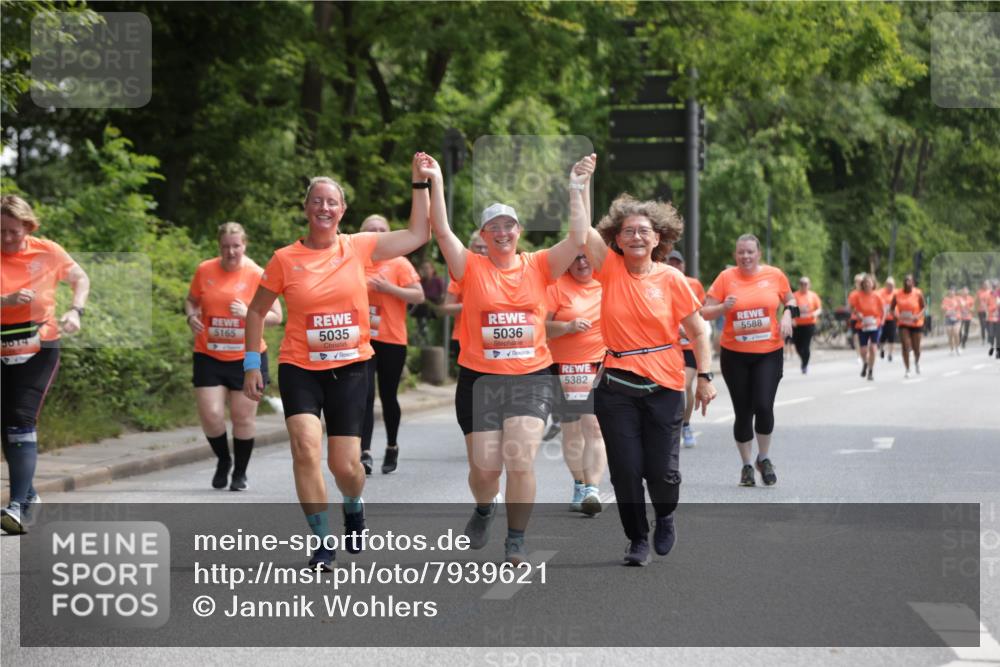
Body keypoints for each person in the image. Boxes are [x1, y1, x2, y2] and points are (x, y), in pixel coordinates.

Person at [242, 154, 430, 570]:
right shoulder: (283, 259)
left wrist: (420, 182)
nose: (324, 208)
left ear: (343, 211)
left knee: (344, 465)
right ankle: (322, 542)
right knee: (305, 449)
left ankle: (353, 502)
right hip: (299, 367)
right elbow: (256, 311)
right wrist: (251, 364)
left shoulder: (359, 247)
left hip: (350, 369)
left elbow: (419, 232)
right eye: (317, 201)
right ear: (306, 208)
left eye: (332, 202)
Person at [427, 156, 587, 565]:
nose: (502, 232)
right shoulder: (471, 267)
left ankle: (516, 539)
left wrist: (575, 188)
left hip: (530, 378)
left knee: (520, 457)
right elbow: (441, 231)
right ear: (484, 234)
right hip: (479, 380)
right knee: (484, 472)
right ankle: (485, 507)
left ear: (519, 231)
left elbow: (577, 236)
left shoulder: (539, 265)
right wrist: (436, 182)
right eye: (493, 226)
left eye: (508, 225)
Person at [575, 175, 716, 566]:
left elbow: (698, 331)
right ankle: (637, 539)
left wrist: (704, 377)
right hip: (617, 385)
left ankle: (666, 515)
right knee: (626, 471)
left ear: (658, 238)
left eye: (644, 231)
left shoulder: (672, 279)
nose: (636, 236)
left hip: (666, 386)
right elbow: (580, 230)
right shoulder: (610, 268)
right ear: (616, 240)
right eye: (627, 231)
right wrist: (579, 187)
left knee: (662, 473)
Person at [1, 195, 90, 534]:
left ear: (28, 226)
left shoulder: (47, 251)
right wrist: (5, 300)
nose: (7, 239)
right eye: (0, 232)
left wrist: (75, 310)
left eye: (13, 231)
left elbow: (80, 278)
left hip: (39, 346)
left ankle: (19, 507)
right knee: (5, 426)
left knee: (21, 418)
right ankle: (30, 495)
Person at [185, 222, 282, 491]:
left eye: (236, 246)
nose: (231, 252)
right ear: (219, 247)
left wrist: (249, 312)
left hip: (247, 357)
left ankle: (240, 473)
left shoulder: (257, 273)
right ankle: (224, 460)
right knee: (212, 414)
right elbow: (191, 300)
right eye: (226, 247)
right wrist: (191, 316)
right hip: (209, 354)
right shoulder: (205, 270)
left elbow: (276, 316)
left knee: (242, 417)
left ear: (245, 245)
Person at [702, 234, 796, 488]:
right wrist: (723, 308)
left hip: (768, 352)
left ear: (758, 254)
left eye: (750, 252)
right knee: (743, 412)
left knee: (764, 406)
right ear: (735, 255)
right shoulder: (725, 278)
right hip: (735, 355)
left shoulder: (775, 275)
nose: (745, 256)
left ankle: (763, 458)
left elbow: (791, 300)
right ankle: (746, 465)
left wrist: (787, 314)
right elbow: (704, 311)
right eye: (741, 252)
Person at [359, 214, 425, 475]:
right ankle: (364, 452)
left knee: (388, 396)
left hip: (391, 339)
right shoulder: (356, 261)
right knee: (363, 396)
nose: (376, 233)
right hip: (362, 339)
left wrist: (389, 289)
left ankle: (392, 445)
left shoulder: (399, 263)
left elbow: (419, 296)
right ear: (362, 233)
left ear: (389, 233)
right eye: (371, 229)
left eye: (381, 229)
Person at [545, 235, 606, 514]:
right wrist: (567, 327)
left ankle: (593, 489)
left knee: (593, 427)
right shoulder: (557, 287)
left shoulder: (608, 284)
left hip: (599, 366)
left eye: (586, 257)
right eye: (575, 258)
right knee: (571, 432)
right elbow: (541, 327)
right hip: (563, 368)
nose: (581, 262)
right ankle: (579, 483)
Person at [666, 250, 707, 446]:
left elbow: (700, 311)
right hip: (668, 345)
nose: (674, 266)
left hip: (688, 344)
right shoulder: (659, 280)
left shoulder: (694, 284)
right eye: (670, 262)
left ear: (683, 266)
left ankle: (686, 424)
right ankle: (671, 426)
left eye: (677, 263)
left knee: (684, 385)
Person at [849, 274, 887, 381]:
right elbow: (852, 308)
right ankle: (865, 363)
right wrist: (858, 314)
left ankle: (870, 371)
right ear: (862, 285)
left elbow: (884, 311)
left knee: (873, 349)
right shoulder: (857, 295)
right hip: (863, 325)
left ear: (873, 284)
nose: (867, 285)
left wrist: (882, 322)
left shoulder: (877, 296)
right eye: (865, 283)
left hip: (875, 324)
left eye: (869, 282)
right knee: (864, 350)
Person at [891, 274, 926, 378]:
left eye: (910, 281)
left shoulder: (918, 293)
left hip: (916, 323)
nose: (908, 283)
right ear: (903, 283)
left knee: (917, 348)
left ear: (913, 283)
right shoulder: (897, 294)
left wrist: (918, 316)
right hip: (903, 323)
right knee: (905, 346)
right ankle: (907, 368)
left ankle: (917, 362)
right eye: (906, 281)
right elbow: (892, 308)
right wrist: (896, 316)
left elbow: (924, 308)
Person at [791, 276, 822, 374]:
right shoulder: (794, 295)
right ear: (799, 285)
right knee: (797, 346)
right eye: (802, 283)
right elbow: (790, 308)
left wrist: (815, 313)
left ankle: (804, 364)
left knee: (806, 345)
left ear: (809, 285)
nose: (804, 285)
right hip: (797, 324)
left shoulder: (813, 295)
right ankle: (803, 360)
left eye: (806, 284)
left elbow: (819, 309)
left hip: (809, 324)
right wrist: (792, 319)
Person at [411, 260, 443, 343]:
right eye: (423, 268)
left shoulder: (437, 281)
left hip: (433, 306)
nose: (425, 270)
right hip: (421, 306)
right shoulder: (421, 282)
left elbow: (442, 295)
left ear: (432, 269)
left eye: (427, 268)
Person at [878, 277, 896, 362]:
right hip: (882, 318)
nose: (890, 287)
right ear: (886, 285)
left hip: (892, 318)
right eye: (888, 285)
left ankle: (890, 354)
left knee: (891, 337)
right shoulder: (881, 292)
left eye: (892, 285)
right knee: (882, 337)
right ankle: (881, 349)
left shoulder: (896, 293)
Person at [942, 287, 961, 356]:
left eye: (953, 291)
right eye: (950, 291)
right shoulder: (945, 299)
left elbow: (963, 305)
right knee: (950, 335)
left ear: (955, 292)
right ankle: (951, 349)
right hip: (948, 318)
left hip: (957, 318)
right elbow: (943, 307)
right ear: (949, 292)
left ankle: (958, 347)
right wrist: (947, 310)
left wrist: (960, 305)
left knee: (956, 333)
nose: (951, 292)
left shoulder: (958, 298)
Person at [977, 280, 992, 345]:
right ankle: (983, 339)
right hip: (981, 311)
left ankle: (989, 338)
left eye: (987, 284)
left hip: (989, 311)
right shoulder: (979, 292)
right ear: (982, 285)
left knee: (989, 325)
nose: (985, 285)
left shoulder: (991, 292)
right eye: (984, 284)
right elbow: (976, 301)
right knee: (983, 325)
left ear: (989, 285)